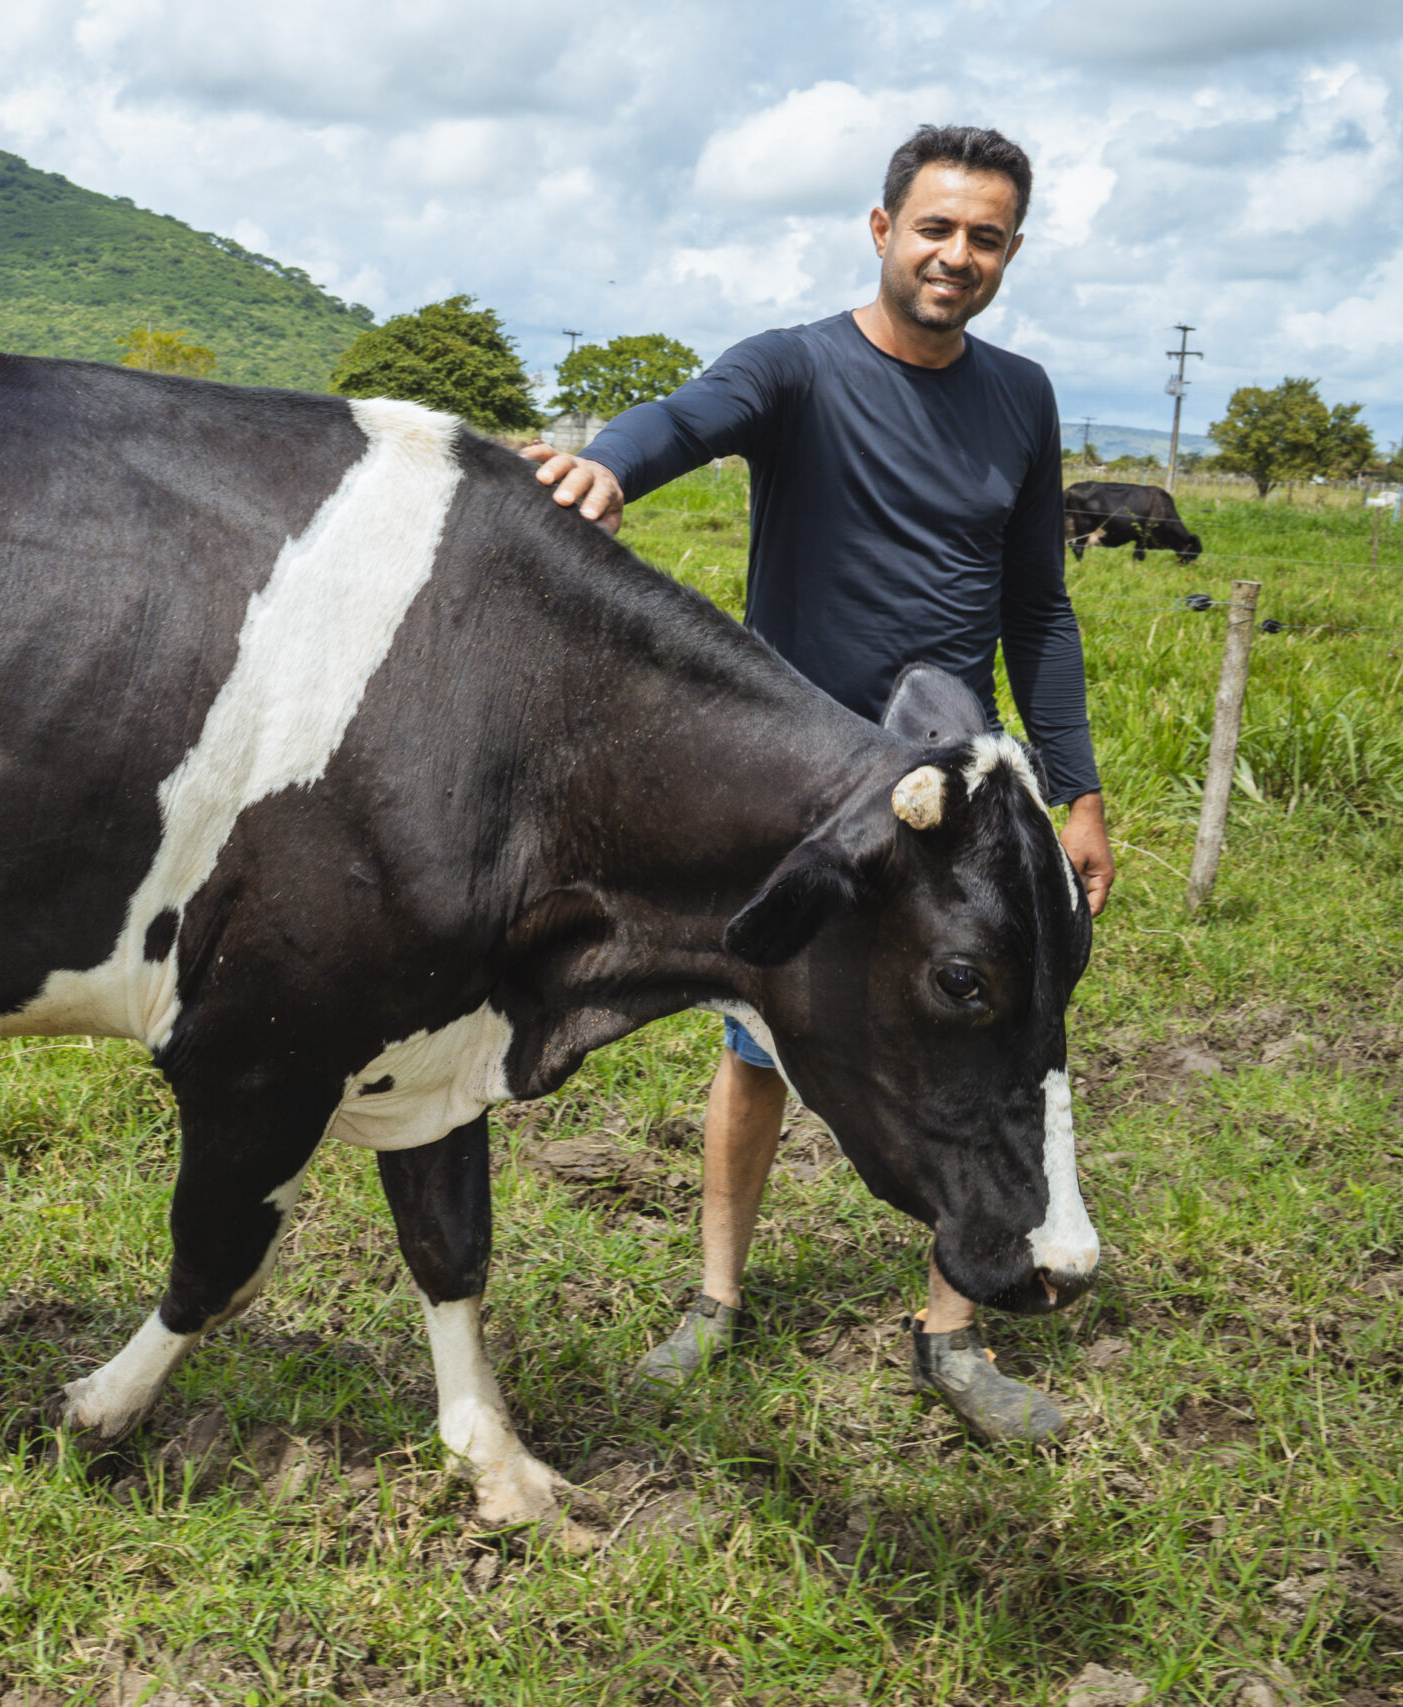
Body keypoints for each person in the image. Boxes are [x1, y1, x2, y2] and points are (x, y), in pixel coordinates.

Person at [522, 124, 1115, 1443]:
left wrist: (1074, 792)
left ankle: (952, 1330)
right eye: (937, 227)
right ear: (882, 227)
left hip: (959, 793)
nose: (957, 255)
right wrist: (609, 461)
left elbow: (1040, 609)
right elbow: (688, 416)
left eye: (987, 237)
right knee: (760, 1047)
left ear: (1011, 252)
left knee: (979, 1052)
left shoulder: (1021, 396)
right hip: (808, 793)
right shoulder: (799, 366)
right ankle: (718, 1300)